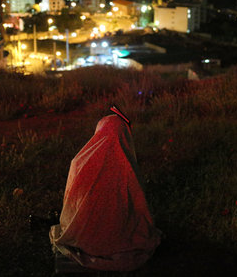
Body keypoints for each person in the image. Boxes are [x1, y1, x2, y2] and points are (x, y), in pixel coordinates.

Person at [49, 106, 161, 271]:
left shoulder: (80, 162)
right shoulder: (127, 168)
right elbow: (137, 209)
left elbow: (72, 205)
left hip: (85, 239)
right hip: (121, 238)